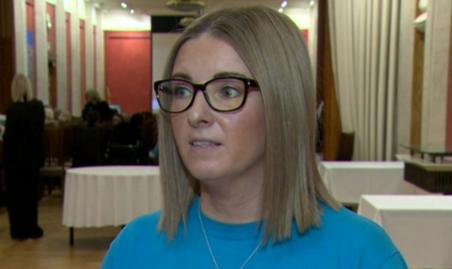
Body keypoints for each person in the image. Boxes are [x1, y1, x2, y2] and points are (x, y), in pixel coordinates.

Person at [102, 6, 407, 268]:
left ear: (282, 104)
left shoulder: (362, 254)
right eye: (182, 91)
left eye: (227, 91)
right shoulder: (133, 250)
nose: (195, 114)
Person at [3, 74, 45, 240]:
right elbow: (39, 134)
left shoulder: (13, 110)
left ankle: (18, 229)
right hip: (32, 159)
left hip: (15, 161)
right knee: (31, 195)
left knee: (16, 196)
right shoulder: (38, 107)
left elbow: (9, 138)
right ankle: (32, 227)